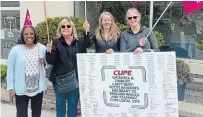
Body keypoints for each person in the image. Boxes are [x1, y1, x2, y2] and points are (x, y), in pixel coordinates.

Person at [46, 18, 90, 117]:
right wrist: (48, 52)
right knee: (60, 106)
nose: (66, 28)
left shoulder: (78, 43)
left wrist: (86, 31)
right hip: (59, 81)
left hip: (74, 80)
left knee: (73, 106)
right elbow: (50, 61)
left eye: (68, 26)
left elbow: (85, 52)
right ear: (60, 29)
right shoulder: (56, 43)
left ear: (72, 28)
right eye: (63, 26)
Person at [7, 25, 49, 117]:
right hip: (21, 90)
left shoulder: (41, 48)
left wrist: (45, 62)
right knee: (21, 114)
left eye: (31, 33)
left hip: (38, 89)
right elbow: (10, 70)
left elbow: (48, 64)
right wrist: (11, 88)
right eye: (26, 34)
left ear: (35, 35)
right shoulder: (15, 50)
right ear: (22, 36)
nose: (29, 36)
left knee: (36, 114)